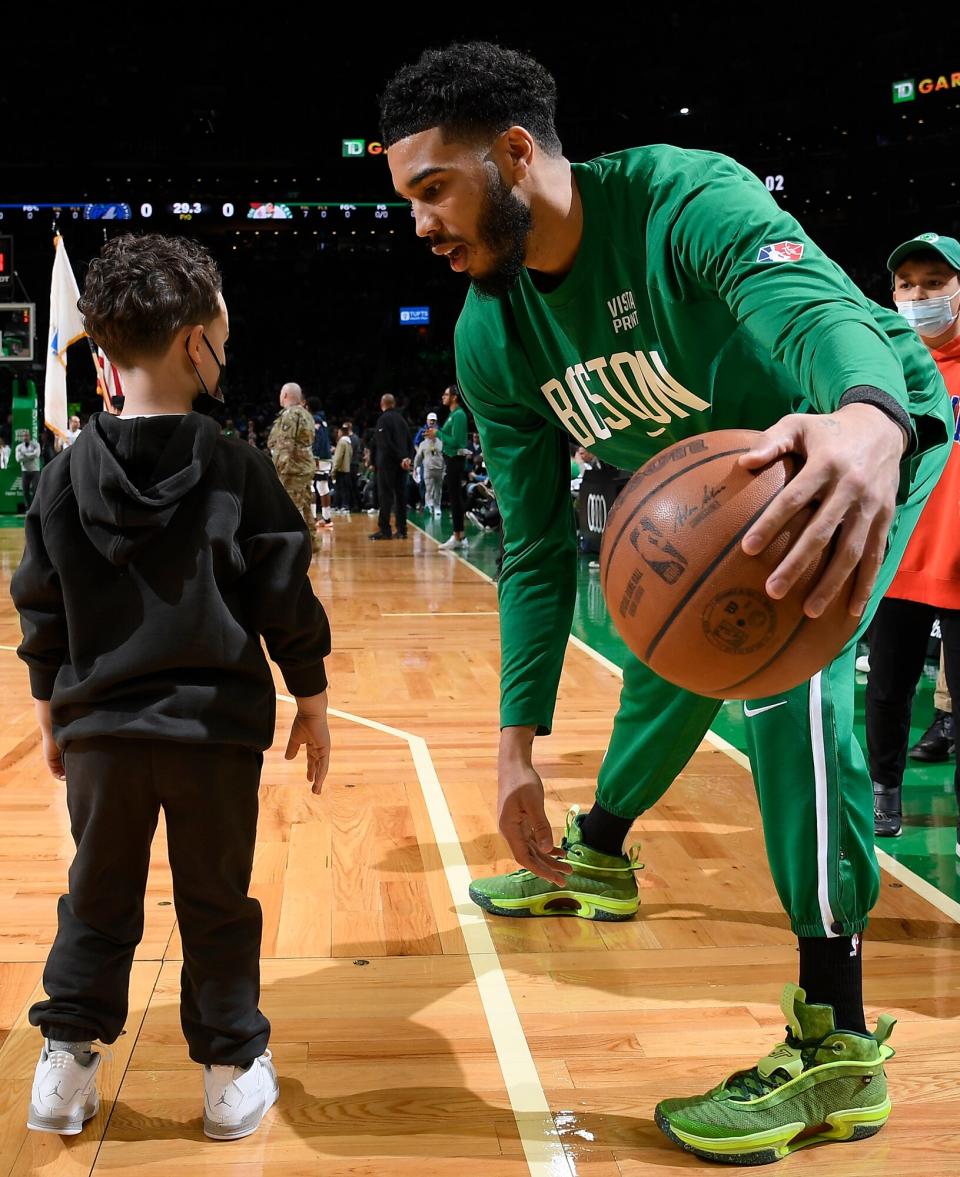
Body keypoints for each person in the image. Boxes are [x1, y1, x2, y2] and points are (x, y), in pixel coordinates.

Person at [382, 42, 950, 1164]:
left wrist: (870, 418)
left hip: (851, 429)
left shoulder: (683, 196)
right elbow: (536, 552)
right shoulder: (490, 332)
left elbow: (802, 304)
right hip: (718, 490)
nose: (419, 224)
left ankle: (836, 1042)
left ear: (511, 154)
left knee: (789, 670)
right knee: (674, 647)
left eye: (431, 189)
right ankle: (598, 848)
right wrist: (514, 754)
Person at [10, 233, 332, 1142]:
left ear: (104, 350)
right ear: (199, 343)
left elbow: (41, 607)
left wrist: (51, 714)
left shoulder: (66, 472)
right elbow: (283, 593)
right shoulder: (239, 467)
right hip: (214, 737)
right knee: (215, 900)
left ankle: (65, 1067)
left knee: (97, 893)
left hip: (103, 738)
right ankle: (230, 1066)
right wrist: (309, 694)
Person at [867, 233, 960, 848]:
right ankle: (883, 796)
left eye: (933, 283)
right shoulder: (881, 369)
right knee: (886, 689)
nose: (918, 295)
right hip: (897, 555)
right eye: (907, 285)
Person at [267, 383, 321, 553]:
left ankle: (292, 548)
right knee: (304, 505)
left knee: (289, 508)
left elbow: (285, 446)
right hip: (304, 467)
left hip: (292, 469)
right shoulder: (306, 414)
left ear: (285, 396)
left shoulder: (290, 414)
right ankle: (312, 542)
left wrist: (276, 470)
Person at [369, 393, 413, 541]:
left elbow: (384, 443)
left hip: (388, 464)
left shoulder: (383, 419)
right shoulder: (402, 420)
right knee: (401, 497)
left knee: (385, 496)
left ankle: (385, 529)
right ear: (393, 404)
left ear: (382, 404)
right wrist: (406, 458)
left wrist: (398, 458)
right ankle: (402, 530)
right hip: (402, 464)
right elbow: (409, 441)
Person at [433, 385, 468, 550]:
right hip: (450, 460)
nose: (443, 396)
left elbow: (457, 442)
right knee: (454, 498)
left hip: (455, 460)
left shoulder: (459, 415)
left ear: (454, 397)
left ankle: (458, 536)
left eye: (446, 394)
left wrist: (437, 433)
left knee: (456, 499)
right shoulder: (452, 415)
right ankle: (459, 535)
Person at [308, 396, 333, 528]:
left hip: (319, 457)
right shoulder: (322, 418)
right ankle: (327, 518)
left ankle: (312, 517)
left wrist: (315, 455)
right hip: (325, 456)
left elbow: (319, 438)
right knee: (322, 487)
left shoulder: (315, 419)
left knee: (311, 486)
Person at [413, 415, 445, 516]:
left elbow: (446, 456)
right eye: (430, 420)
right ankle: (428, 505)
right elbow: (418, 456)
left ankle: (437, 507)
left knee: (438, 489)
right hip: (427, 466)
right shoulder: (423, 441)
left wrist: (445, 469)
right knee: (428, 488)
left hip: (439, 468)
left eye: (433, 420)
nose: (432, 422)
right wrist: (415, 467)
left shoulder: (441, 442)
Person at [15, 430, 42, 509]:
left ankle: (35, 508)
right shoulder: (19, 447)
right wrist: (31, 455)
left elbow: (37, 455)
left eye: (27, 435)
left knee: (36, 490)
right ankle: (28, 507)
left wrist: (24, 455)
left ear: (29, 436)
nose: (25, 437)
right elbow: (18, 459)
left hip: (35, 470)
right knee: (25, 490)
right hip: (25, 471)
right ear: (22, 437)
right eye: (24, 436)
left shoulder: (36, 444)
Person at [331, 424, 353, 514]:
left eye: (339, 432)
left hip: (340, 469)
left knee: (339, 489)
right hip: (347, 468)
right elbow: (351, 454)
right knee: (345, 489)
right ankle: (344, 506)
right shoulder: (349, 442)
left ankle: (338, 506)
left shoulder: (341, 442)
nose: (338, 433)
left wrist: (334, 469)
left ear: (342, 433)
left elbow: (338, 457)